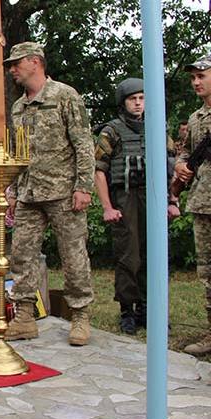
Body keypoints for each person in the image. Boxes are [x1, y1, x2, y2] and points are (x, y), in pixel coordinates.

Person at [3, 42, 95, 346]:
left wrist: (84, 186)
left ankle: (80, 315)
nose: (13, 69)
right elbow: (17, 154)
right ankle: (25, 316)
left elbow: (83, 144)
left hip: (63, 192)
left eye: (17, 63)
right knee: (21, 254)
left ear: (35, 61)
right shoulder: (19, 106)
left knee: (73, 255)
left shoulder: (65, 96)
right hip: (29, 193)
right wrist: (13, 191)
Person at [94, 78, 180, 335]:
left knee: (155, 254)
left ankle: (149, 308)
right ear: (124, 102)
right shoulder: (112, 131)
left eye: (142, 98)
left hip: (153, 196)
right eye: (133, 99)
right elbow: (99, 171)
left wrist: (172, 201)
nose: (138, 103)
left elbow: (170, 166)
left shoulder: (157, 128)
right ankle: (127, 310)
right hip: (125, 197)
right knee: (128, 255)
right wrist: (108, 207)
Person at [175, 53, 211, 354]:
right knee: (208, 273)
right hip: (202, 203)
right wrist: (181, 166)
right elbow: (185, 152)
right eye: (193, 78)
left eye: (201, 76)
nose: (195, 82)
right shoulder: (197, 118)